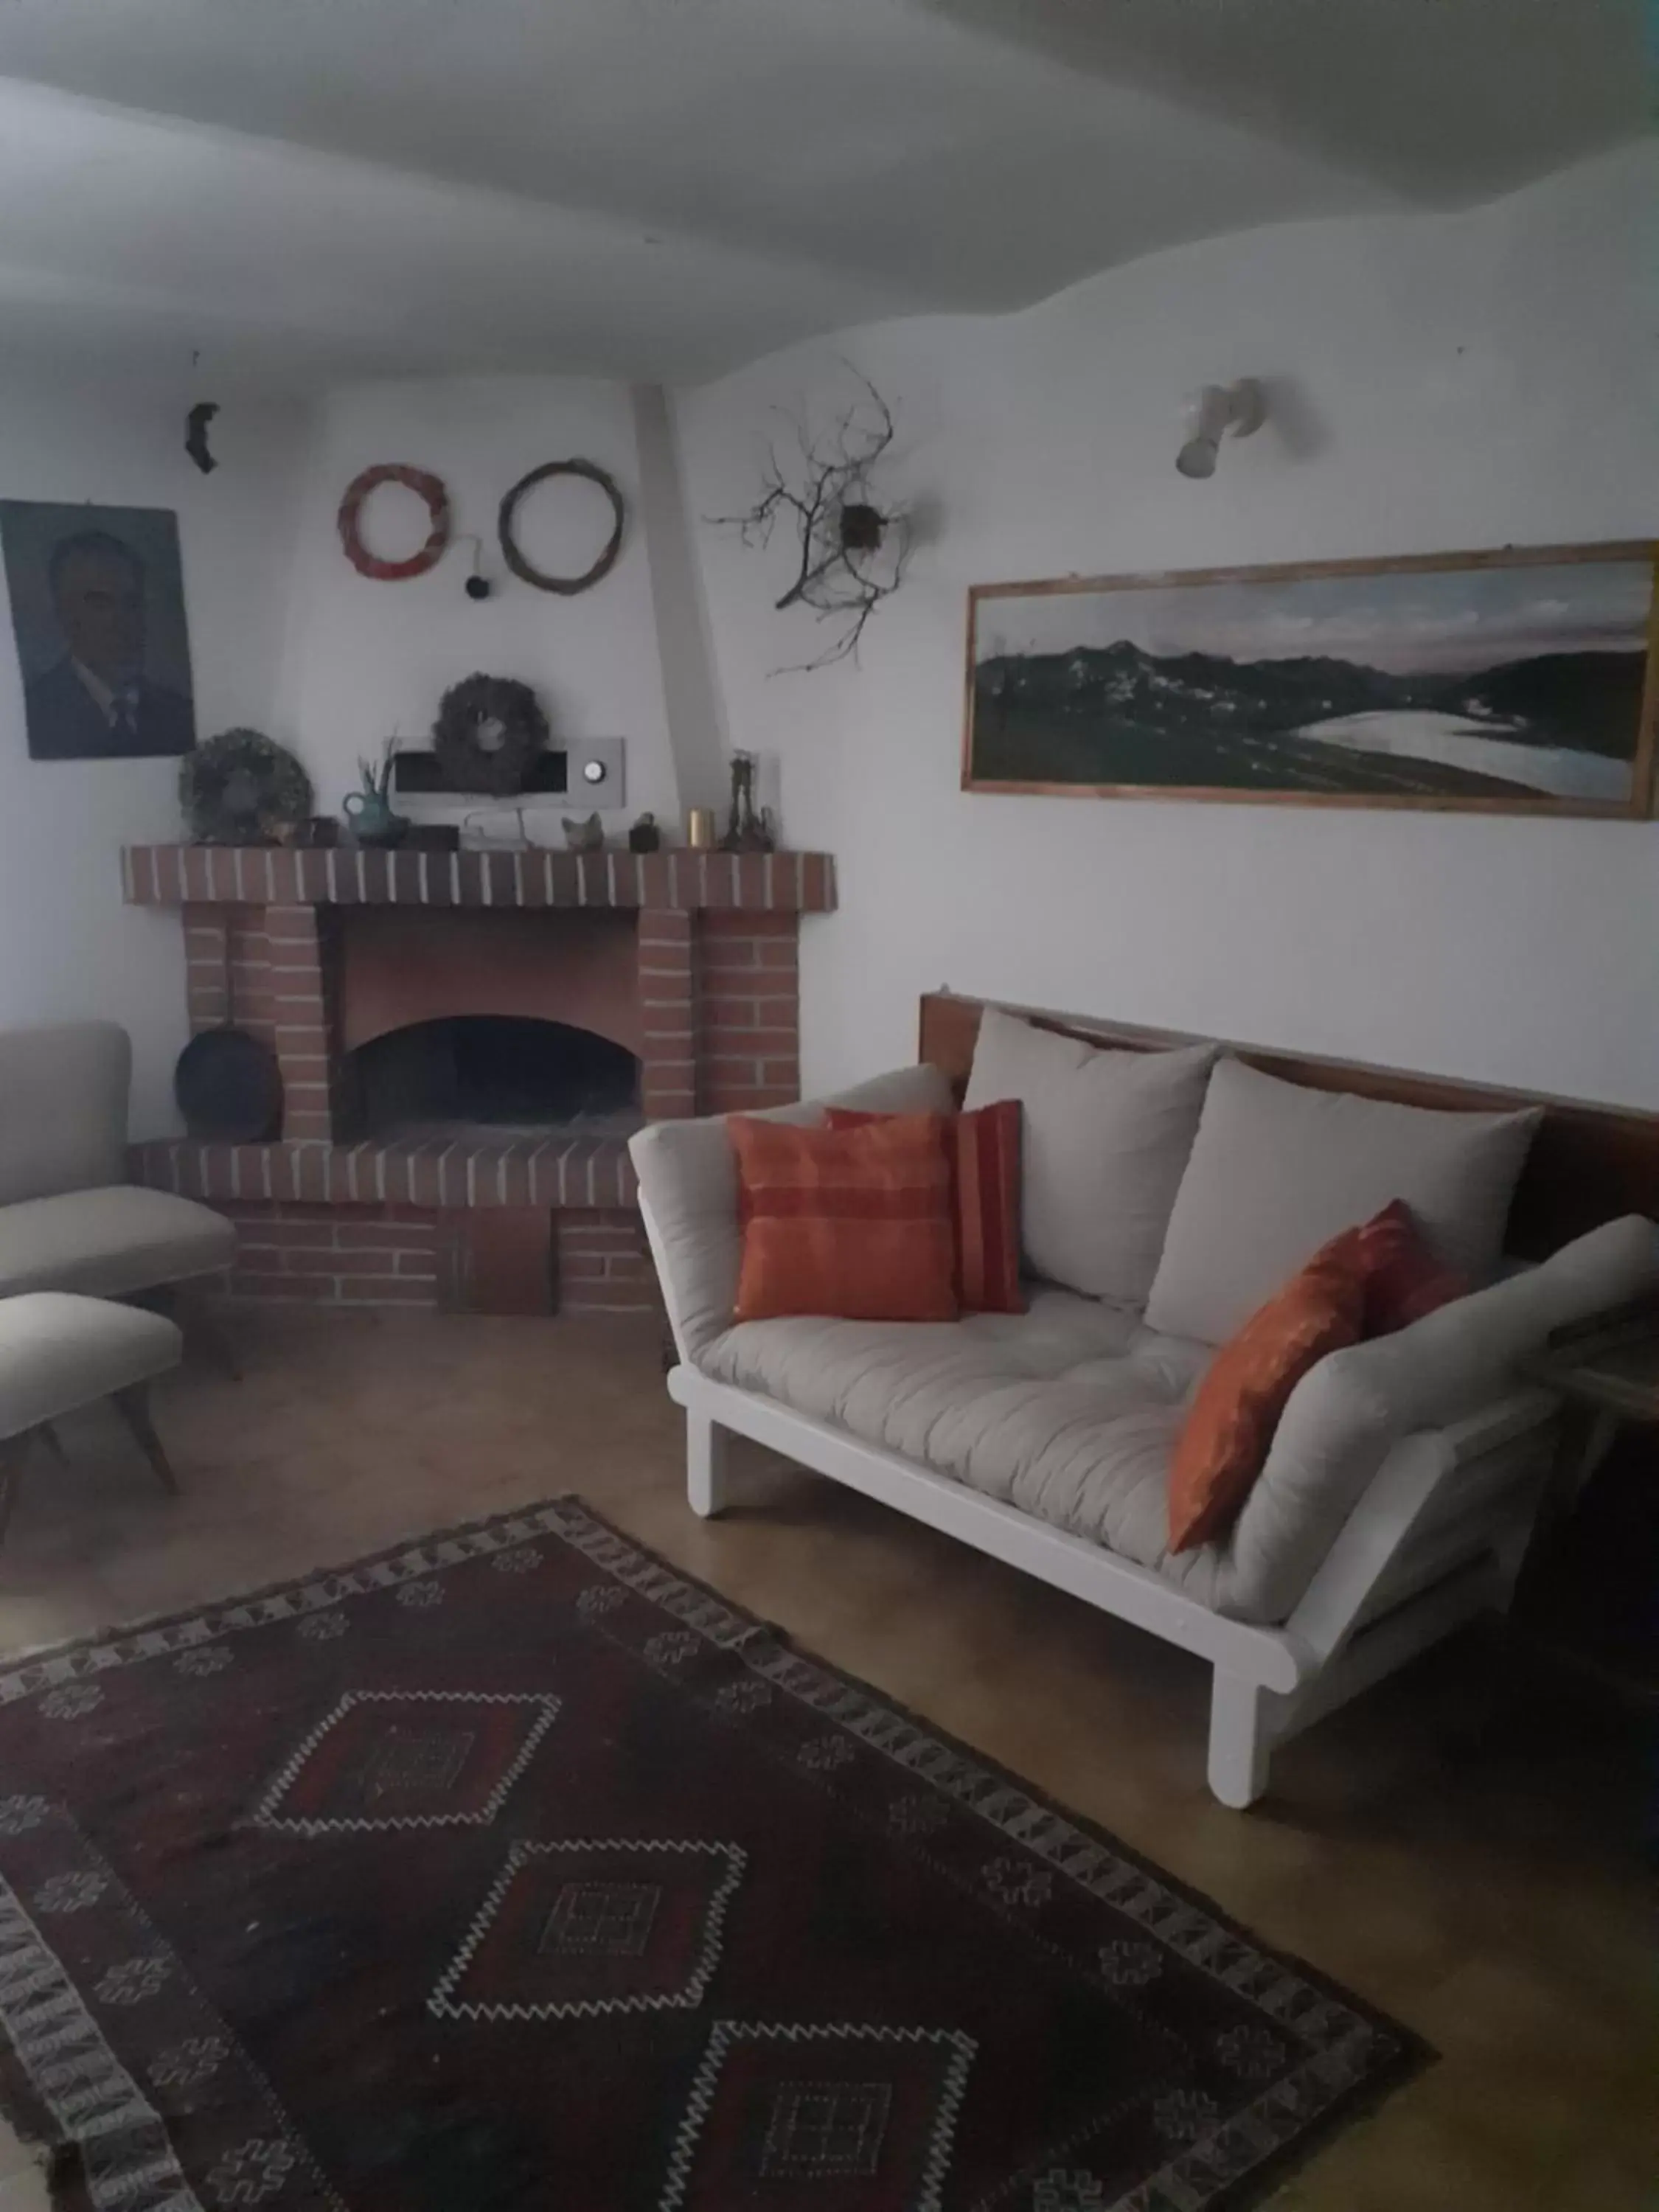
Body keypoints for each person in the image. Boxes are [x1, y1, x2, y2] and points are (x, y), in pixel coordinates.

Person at [22, 529, 194, 759]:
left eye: (131, 603)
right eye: (100, 604)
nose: (122, 622)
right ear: (66, 616)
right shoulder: (36, 712)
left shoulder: (179, 714)